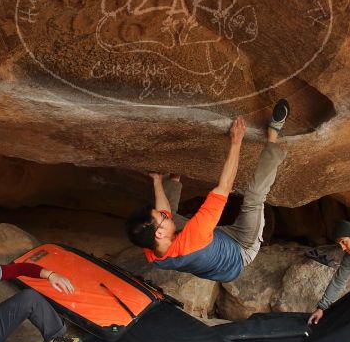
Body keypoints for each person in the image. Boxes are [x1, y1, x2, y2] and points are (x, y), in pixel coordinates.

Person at [124, 99, 290, 282]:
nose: (164, 214)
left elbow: (165, 213)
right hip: (241, 248)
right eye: (161, 218)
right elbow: (224, 187)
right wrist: (236, 142)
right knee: (254, 197)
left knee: (173, 216)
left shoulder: (151, 249)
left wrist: (156, 181)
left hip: (211, 246)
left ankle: (175, 176)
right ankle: (273, 135)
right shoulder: (193, 236)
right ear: (159, 234)